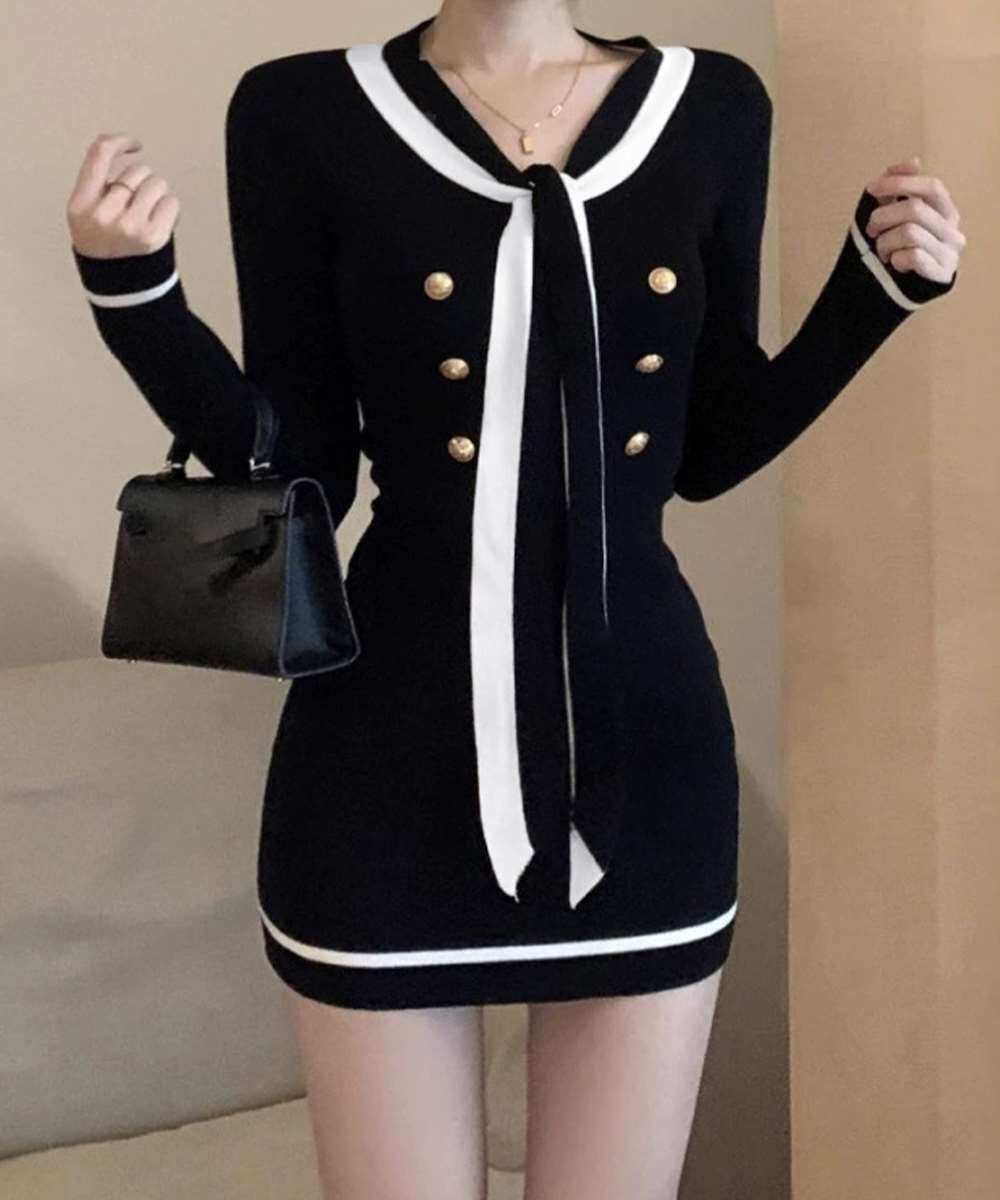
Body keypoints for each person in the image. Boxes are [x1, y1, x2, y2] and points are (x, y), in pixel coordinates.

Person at [65, 2, 964, 1197]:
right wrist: (139, 306)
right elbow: (302, 471)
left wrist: (870, 296)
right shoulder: (302, 110)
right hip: (383, 758)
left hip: (643, 758)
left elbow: (704, 447)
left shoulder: (712, 105)